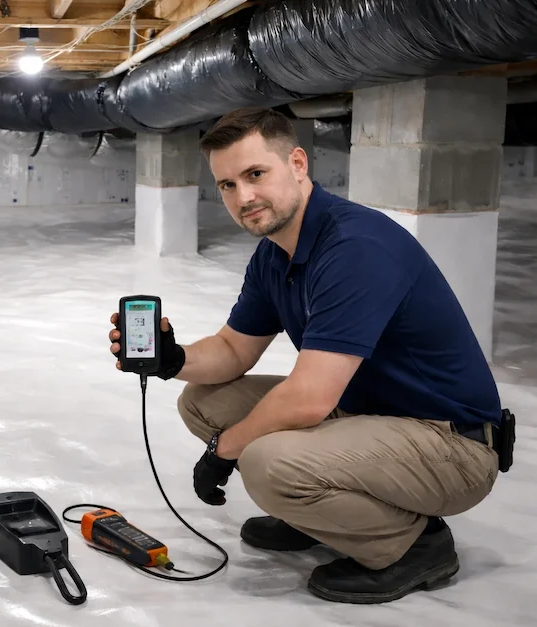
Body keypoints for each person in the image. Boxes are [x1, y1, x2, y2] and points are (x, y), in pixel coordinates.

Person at [108, 106, 511, 604]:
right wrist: (170, 359)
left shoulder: (354, 247)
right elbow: (234, 349)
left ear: (297, 164)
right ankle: (322, 514)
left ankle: (414, 546)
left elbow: (308, 400)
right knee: (201, 401)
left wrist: (223, 451)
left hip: (452, 443)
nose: (243, 197)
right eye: (227, 185)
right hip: (372, 413)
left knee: (265, 461)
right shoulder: (275, 252)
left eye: (256, 174)